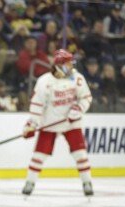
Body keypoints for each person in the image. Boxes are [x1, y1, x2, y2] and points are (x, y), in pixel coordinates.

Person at [21, 49, 93, 197]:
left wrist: (78, 109)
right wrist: (32, 124)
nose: (71, 67)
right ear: (59, 65)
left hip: (71, 123)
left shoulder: (77, 78)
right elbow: (37, 104)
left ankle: (87, 182)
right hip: (50, 124)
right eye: (68, 64)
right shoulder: (44, 81)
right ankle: (30, 182)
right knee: (39, 155)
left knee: (80, 153)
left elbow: (86, 97)